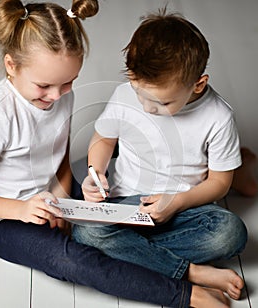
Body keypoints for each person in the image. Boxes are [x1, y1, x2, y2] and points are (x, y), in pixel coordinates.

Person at [0, 1, 234, 307]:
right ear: (11, 65)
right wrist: (22, 210)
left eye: (68, 82)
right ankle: (185, 288)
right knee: (75, 260)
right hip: (4, 219)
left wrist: (62, 191)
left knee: (104, 217)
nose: (55, 95)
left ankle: (138, 248)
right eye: (44, 85)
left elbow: (58, 156)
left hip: (51, 197)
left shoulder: (61, 95)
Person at [72, 8, 248, 303]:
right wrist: (96, 171)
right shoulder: (125, 95)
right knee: (86, 234)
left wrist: (177, 201)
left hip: (184, 209)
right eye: (141, 94)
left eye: (162, 101)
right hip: (127, 203)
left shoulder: (218, 116)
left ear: (198, 84)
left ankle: (136, 253)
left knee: (231, 234)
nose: (148, 108)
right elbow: (104, 138)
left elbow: (219, 183)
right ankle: (190, 271)